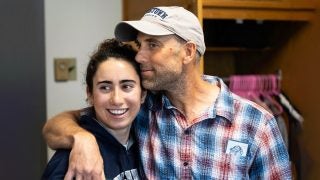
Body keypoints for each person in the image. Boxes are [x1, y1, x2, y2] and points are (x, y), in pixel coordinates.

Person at [43, 6, 292, 179]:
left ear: (187, 52)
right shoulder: (138, 108)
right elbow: (57, 125)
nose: (139, 56)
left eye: (153, 45)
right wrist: (82, 139)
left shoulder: (256, 124)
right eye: (140, 45)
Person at [42, 39, 146, 180]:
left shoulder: (148, 143)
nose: (116, 99)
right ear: (90, 94)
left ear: (143, 94)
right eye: (105, 87)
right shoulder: (74, 160)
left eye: (127, 86)